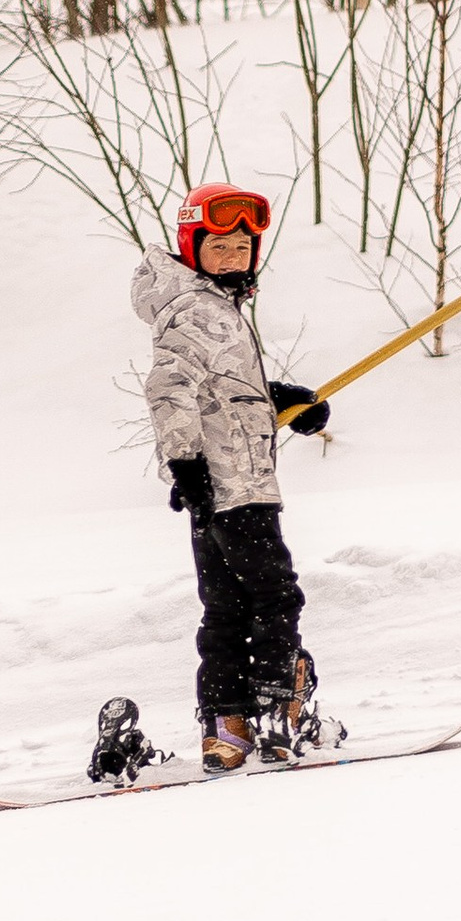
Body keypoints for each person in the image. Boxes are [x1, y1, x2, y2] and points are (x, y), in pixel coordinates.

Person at [131, 182, 332, 769]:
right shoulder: (201, 309)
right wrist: (186, 462)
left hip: (213, 493)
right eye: (219, 246)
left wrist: (282, 400)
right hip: (234, 486)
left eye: (243, 247)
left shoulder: (205, 307)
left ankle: (227, 725)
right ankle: (276, 712)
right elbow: (169, 387)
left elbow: (221, 390)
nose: (233, 257)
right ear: (192, 245)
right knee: (274, 598)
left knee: (225, 608)